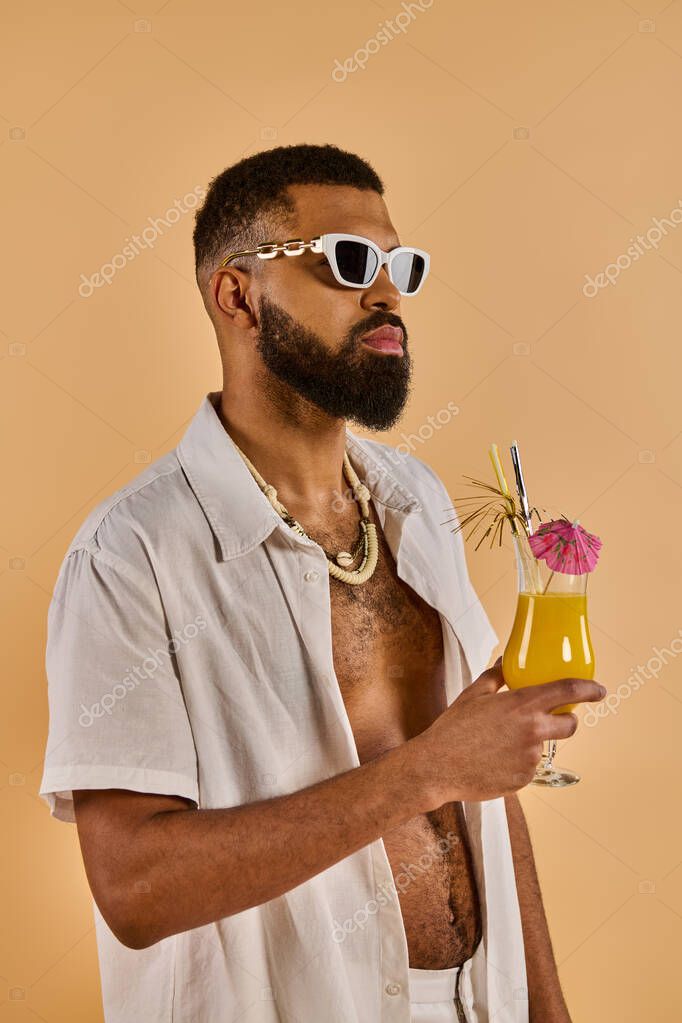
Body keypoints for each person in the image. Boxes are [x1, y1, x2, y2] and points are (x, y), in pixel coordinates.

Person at [39, 143, 606, 1023]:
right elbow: (135, 888)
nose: (387, 294)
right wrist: (422, 773)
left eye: (399, 265)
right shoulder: (132, 556)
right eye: (348, 262)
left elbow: (486, 780)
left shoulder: (414, 499)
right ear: (237, 295)